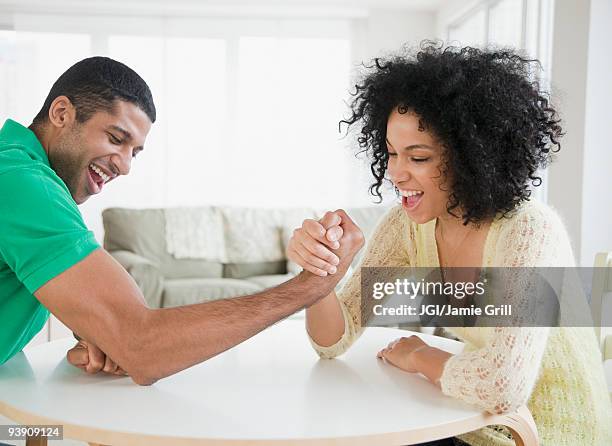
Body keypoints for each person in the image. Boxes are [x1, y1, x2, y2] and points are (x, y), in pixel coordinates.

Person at [287, 43, 612, 445]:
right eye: (390, 153)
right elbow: (333, 342)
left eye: (418, 158)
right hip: (472, 420)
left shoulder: (529, 230)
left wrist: (421, 356)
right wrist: (320, 272)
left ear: (472, 158)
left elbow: (503, 385)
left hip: (547, 433)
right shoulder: (407, 226)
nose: (395, 172)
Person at [0, 56, 364, 385]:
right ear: (61, 113)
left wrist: (98, 328)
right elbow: (142, 346)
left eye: (135, 152)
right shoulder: (23, 183)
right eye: (116, 138)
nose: (125, 166)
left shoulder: (26, 174)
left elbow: (114, 321)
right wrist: (309, 288)